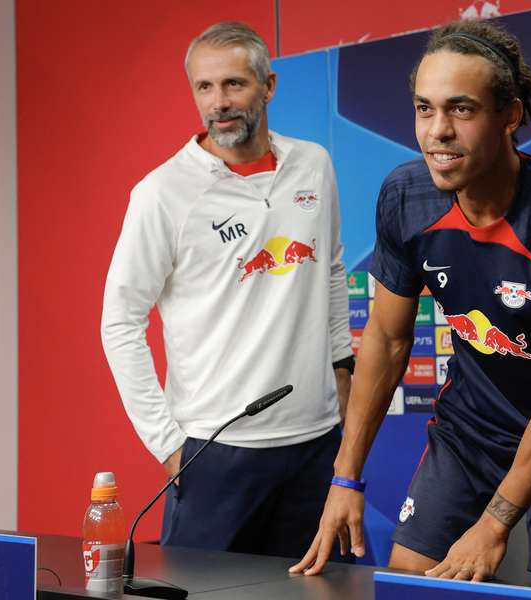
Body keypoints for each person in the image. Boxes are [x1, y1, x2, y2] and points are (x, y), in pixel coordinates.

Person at [290, 19, 531, 590]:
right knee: (412, 581)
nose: (437, 132)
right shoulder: (406, 197)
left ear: (510, 115)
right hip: (471, 431)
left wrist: (496, 521)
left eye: (461, 109)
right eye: (424, 109)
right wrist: (346, 479)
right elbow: (386, 338)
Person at [101, 21, 354, 557]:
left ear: (269, 86)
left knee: (331, 594)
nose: (219, 102)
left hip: (317, 443)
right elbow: (120, 322)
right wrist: (169, 445)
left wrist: (343, 384)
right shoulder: (162, 193)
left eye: (235, 84)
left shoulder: (313, 165)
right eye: (204, 87)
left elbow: (330, 272)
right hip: (216, 449)